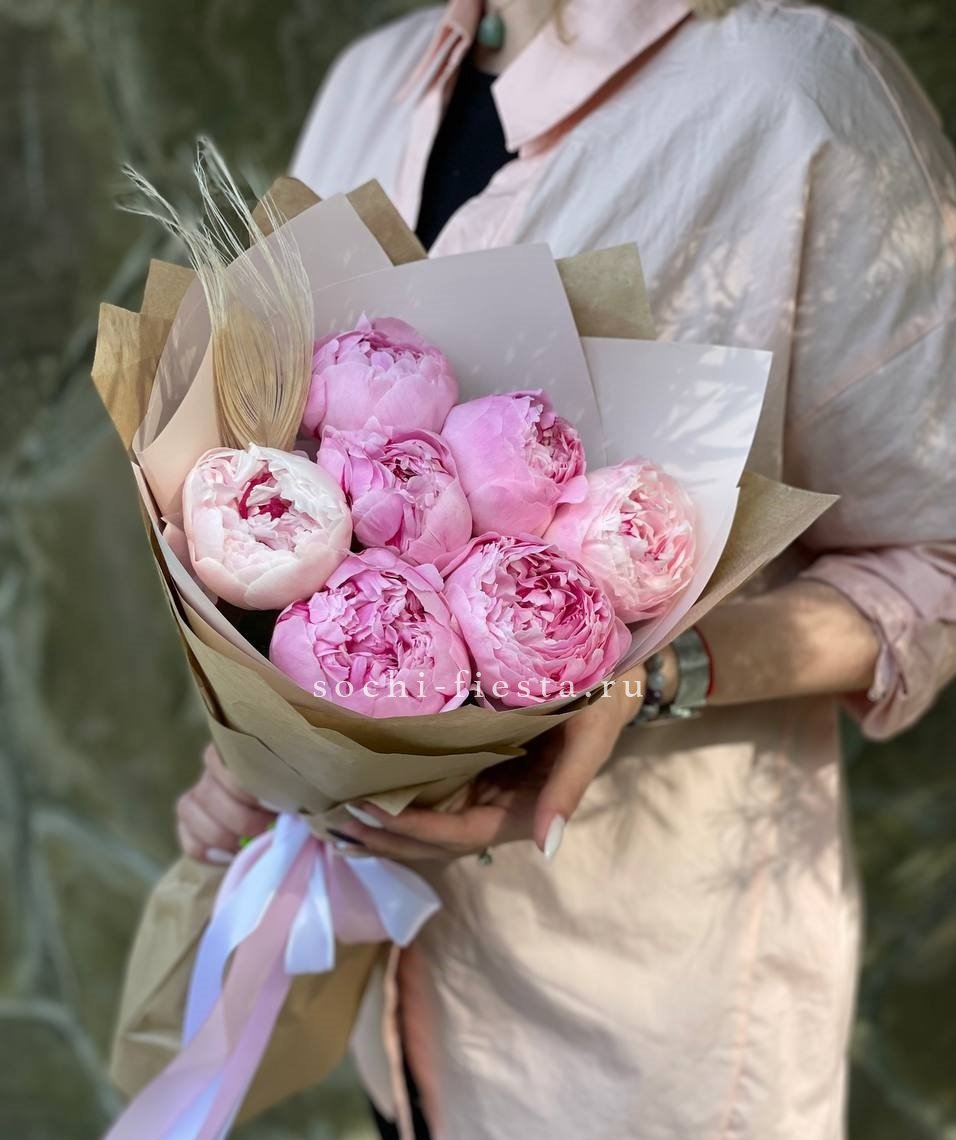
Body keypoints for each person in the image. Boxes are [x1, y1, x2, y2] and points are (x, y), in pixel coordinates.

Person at [174, 1, 956, 1136]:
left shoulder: (788, 94)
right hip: (395, 1020)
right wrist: (267, 746)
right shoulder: (368, 84)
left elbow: (939, 555)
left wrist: (653, 672)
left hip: (639, 1042)